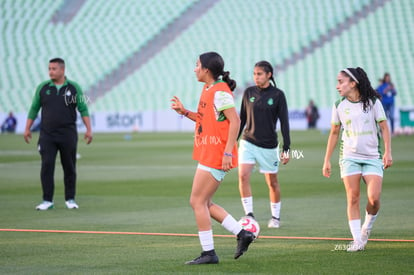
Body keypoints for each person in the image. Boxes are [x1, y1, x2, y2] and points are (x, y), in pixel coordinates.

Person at [171, 52, 255, 265]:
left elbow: (235, 122)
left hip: (217, 155)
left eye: (197, 65)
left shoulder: (220, 91)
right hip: (209, 152)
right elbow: (202, 119)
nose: (194, 68)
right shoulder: (208, 88)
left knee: (197, 201)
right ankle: (242, 233)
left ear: (206, 69)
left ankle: (209, 252)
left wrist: (228, 152)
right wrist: (184, 111)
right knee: (205, 202)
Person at [322, 67, 392, 252]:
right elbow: (334, 133)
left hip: (372, 157)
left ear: (353, 83)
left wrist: (388, 152)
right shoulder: (338, 105)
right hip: (349, 157)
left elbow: (384, 127)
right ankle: (357, 241)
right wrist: (327, 160)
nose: (337, 86)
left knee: (374, 199)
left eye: (341, 82)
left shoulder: (373, 102)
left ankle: (365, 229)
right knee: (353, 197)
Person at [24, 58, 93, 210]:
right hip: (47, 135)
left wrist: (89, 129)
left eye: (54, 69)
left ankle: (70, 199)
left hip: (68, 134)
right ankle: (47, 200)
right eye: (49, 68)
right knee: (47, 166)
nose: (50, 71)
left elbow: (83, 108)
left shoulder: (74, 88)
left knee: (69, 167)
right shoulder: (43, 88)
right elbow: (34, 108)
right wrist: (27, 128)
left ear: (62, 70)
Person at [238, 61, 290, 229]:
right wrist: (233, 141)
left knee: (272, 182)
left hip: (269, 146)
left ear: (269, 75)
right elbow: (242, 120)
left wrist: (286, 148)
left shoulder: (278, 95)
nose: (256, 77)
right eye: (254, 73)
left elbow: (284, 123)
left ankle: (275, 217)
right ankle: (249, 215)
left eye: (259, 74)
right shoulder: (248, 92)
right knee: (243, 175)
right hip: (248, 142)